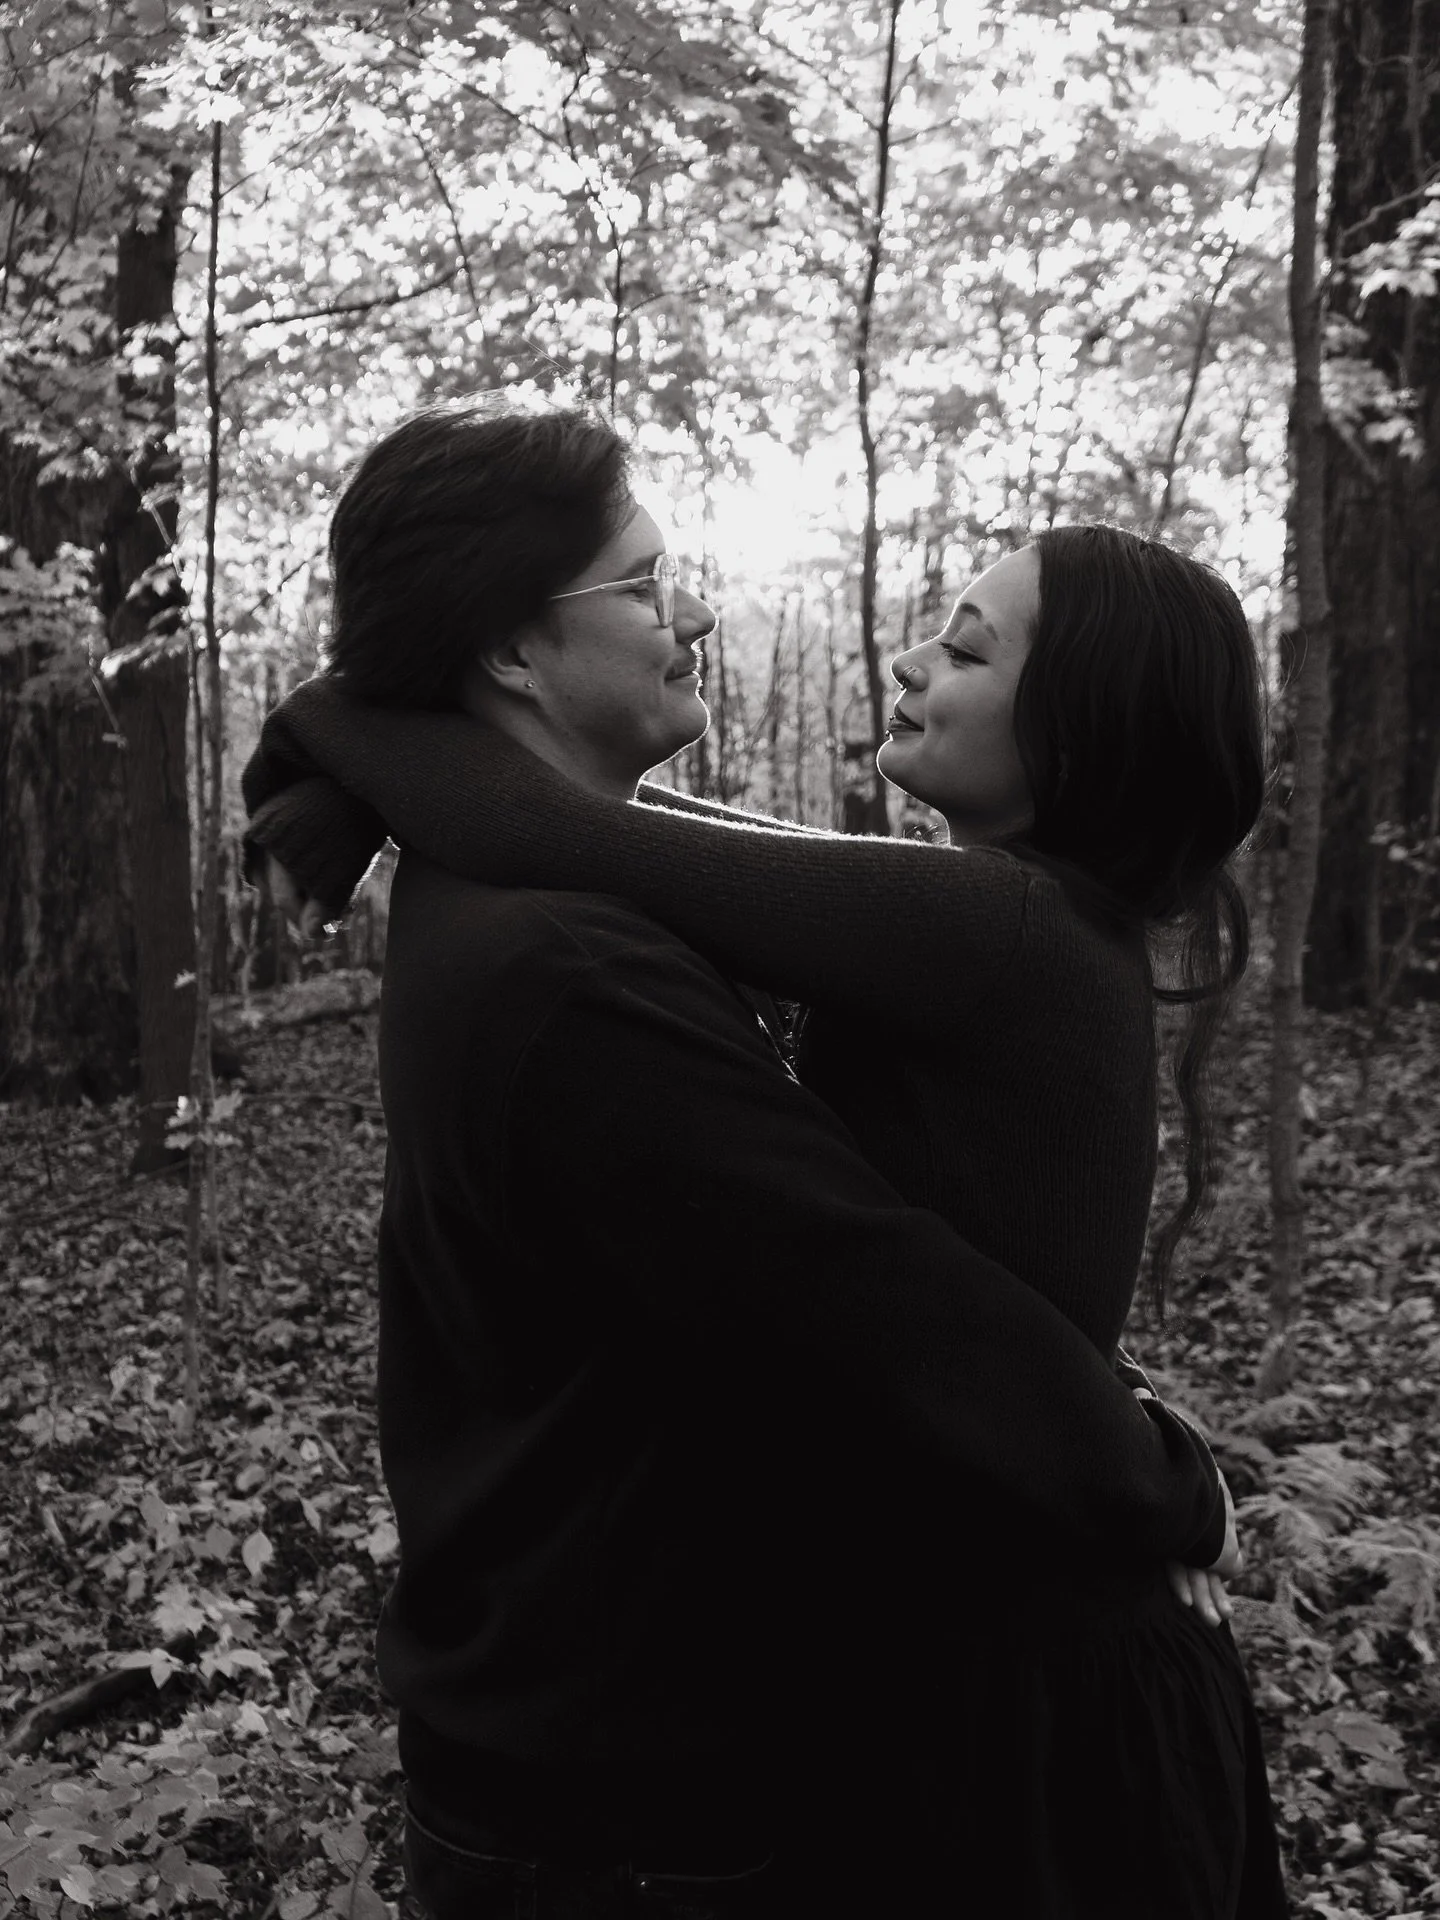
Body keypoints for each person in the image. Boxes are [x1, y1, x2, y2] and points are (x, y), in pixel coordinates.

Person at [243, 399, 1257, 1919]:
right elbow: (870, 1285)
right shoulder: (582, 962)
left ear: (1081, 725)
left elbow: (618, 843)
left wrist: (338, 740)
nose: (913, 659)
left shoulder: (1004, 930)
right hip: (815, 1709)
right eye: (646, 588)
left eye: (971, 649)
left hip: (1026, 1662)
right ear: (513, 649)